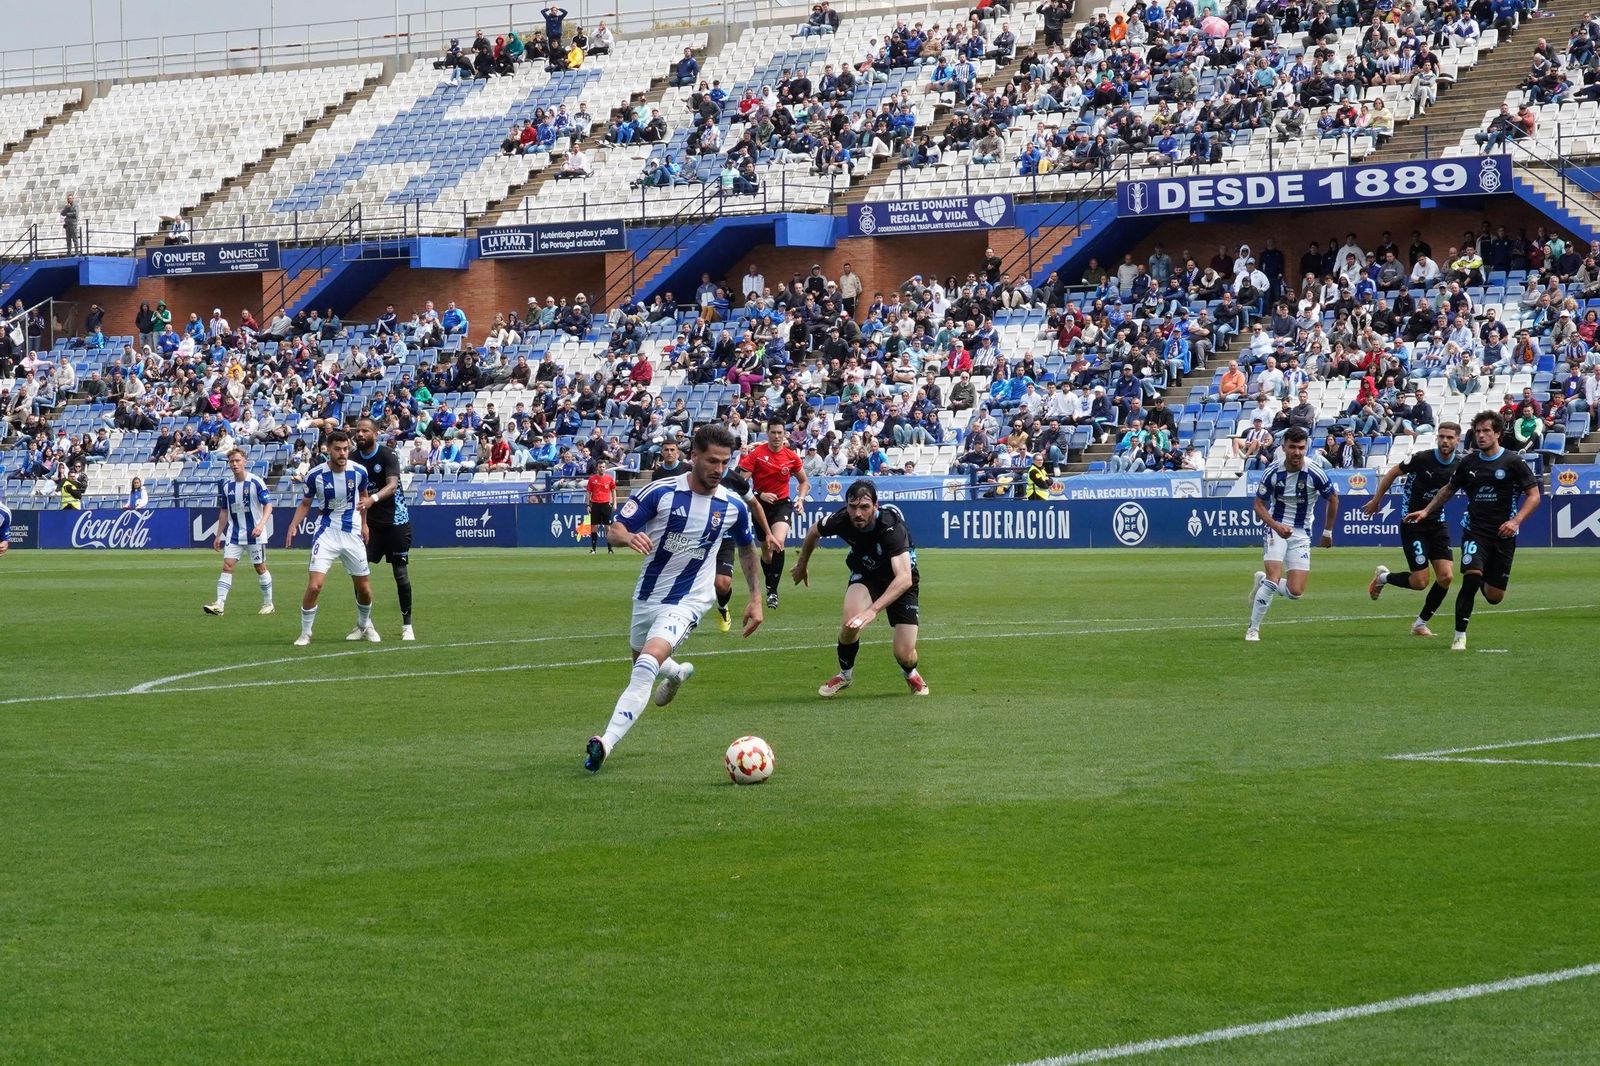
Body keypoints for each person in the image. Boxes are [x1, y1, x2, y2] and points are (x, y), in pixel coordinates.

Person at [584, 424, 765, 774]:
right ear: (693, 456)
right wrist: (628, 538)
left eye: (725, 462)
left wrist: (756, 597)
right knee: (642, 657)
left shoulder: (731, 505)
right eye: (712, 461)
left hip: (689, 600)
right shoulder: (662, 492)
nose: (718, 469)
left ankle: (605, 742)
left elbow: (746, 549)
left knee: (645, 665)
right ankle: (678, 673)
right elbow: (615, 529)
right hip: (648, 594)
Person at [1404, 411, 1540, 651]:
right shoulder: (1468, 462)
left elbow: (1534, 495)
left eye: (1486, 431)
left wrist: (1516, 521)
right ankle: (1459, 636)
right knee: (1471, 577)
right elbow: (1447, 490)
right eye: (1477, 431)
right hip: (1475, 531)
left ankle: (1482, 572)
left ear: (1498, 433)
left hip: (1504, 535)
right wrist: (1426, 511)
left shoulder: (1513, 462)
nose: (1481, 435)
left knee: (1494, 596)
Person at [790, 479, 929, 697]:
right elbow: (813, 532)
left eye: (864, 507)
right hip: (867, 574)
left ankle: (911, 673)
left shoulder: (891, 526)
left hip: (900, 583)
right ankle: (845, 674)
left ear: (876, 505)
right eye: (852, 507)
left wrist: (872, 611)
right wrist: (802, 564)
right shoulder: (842, 519)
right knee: (850, 624)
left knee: (905, 654)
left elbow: (904, 578)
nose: (857, 513)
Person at [1364, 422, 1462, 636]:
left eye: (1450, 438)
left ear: (1457, 440)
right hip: (1412, 524)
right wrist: (1376, 500)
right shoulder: (1422, 458)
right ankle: (1383, 578)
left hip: (1437, 523)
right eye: (1442, 437)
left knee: (1446, 577)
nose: (1445, 441)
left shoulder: (1460, 465)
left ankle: (1419, 624)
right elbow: (1391, 473)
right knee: (1420, 583)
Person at [283, 429, 376, 646]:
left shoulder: (359, 471)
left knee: (364, 588)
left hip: (352, 532)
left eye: (346, 449)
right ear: (328, 450)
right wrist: (293, 525)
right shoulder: (315, 475)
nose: (343, 453)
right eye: (338, 449)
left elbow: (363, 498)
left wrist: (364, 524)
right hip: (326, 533)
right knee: (315, 586)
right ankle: (306, 632)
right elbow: (305, 504)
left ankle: (363, 625)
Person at [1246, 427, 1338, 642]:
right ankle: (1253, 629)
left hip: (1302, 533)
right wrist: (1276, 526)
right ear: (1284, 447)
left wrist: (1327, 532)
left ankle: (1262, 581)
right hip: (1276, 528)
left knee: (1295, 592)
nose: (1297, 452)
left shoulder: (1315, 472)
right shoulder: (1272, 472)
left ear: (1306, 448)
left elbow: (1333, 499)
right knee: (1273, 579)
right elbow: (1258, 504)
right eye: (1292, 447)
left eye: (1301, 448)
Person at [352, 418, 416, 641]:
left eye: (365, 431)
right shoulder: (352, 458)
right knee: (359, 574)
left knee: (400, 574)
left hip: (395, 522)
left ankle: (407, 625)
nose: (360, 434)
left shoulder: (387, 455)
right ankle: (364, 624)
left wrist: (373, 498)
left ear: (376, 434)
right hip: (369, 525)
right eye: (358, 430)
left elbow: (392, 485)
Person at [739, 418, 808, 608]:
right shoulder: (757, 455)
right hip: (759, 506)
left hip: (782, 505)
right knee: (767, 554)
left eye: (780, 432)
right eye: (773, 433)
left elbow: (804, 482)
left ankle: (772, 591)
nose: (777, 436)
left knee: (778, 542)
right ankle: (770, 584)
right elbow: (740, 482)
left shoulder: (791, 457)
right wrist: (759, 493)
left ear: (784, 434)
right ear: (767, 433)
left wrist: (800, 499)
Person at [205, 448, 275, 616]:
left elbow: (268, 506)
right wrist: (218, 534)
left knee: (260, 567)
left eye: (237, 461)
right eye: (231, 462)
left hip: (254, 534)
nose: (235, 464)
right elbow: (224, 511)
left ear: (245, 462)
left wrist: (260, 525)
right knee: (227, 566)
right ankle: (219, 604)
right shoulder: (226, 485)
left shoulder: (256, 482)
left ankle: (268, 603)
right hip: (235, 534)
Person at [711, 462, 773, 632]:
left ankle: (723, 607)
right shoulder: (693, 478)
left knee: (722, 584)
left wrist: (768, 532)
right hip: (699, 537)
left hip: (726, 537)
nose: (719, 465)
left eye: (724, 459)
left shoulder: (737, 482)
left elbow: (754, 504)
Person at [585, 458, 616, 554]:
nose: (602, 468)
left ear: (605, 468)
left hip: (606, 504)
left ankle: (610, 549)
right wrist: (588, 504)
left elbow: (613, 491)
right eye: (600, 467)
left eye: (603, 467)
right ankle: (593, 549)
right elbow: (588, 492)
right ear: (597, 468)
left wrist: (615, 503)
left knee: (608, 527)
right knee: (594, 527)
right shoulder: (592, 479)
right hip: (595, 504)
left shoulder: (609, 479)